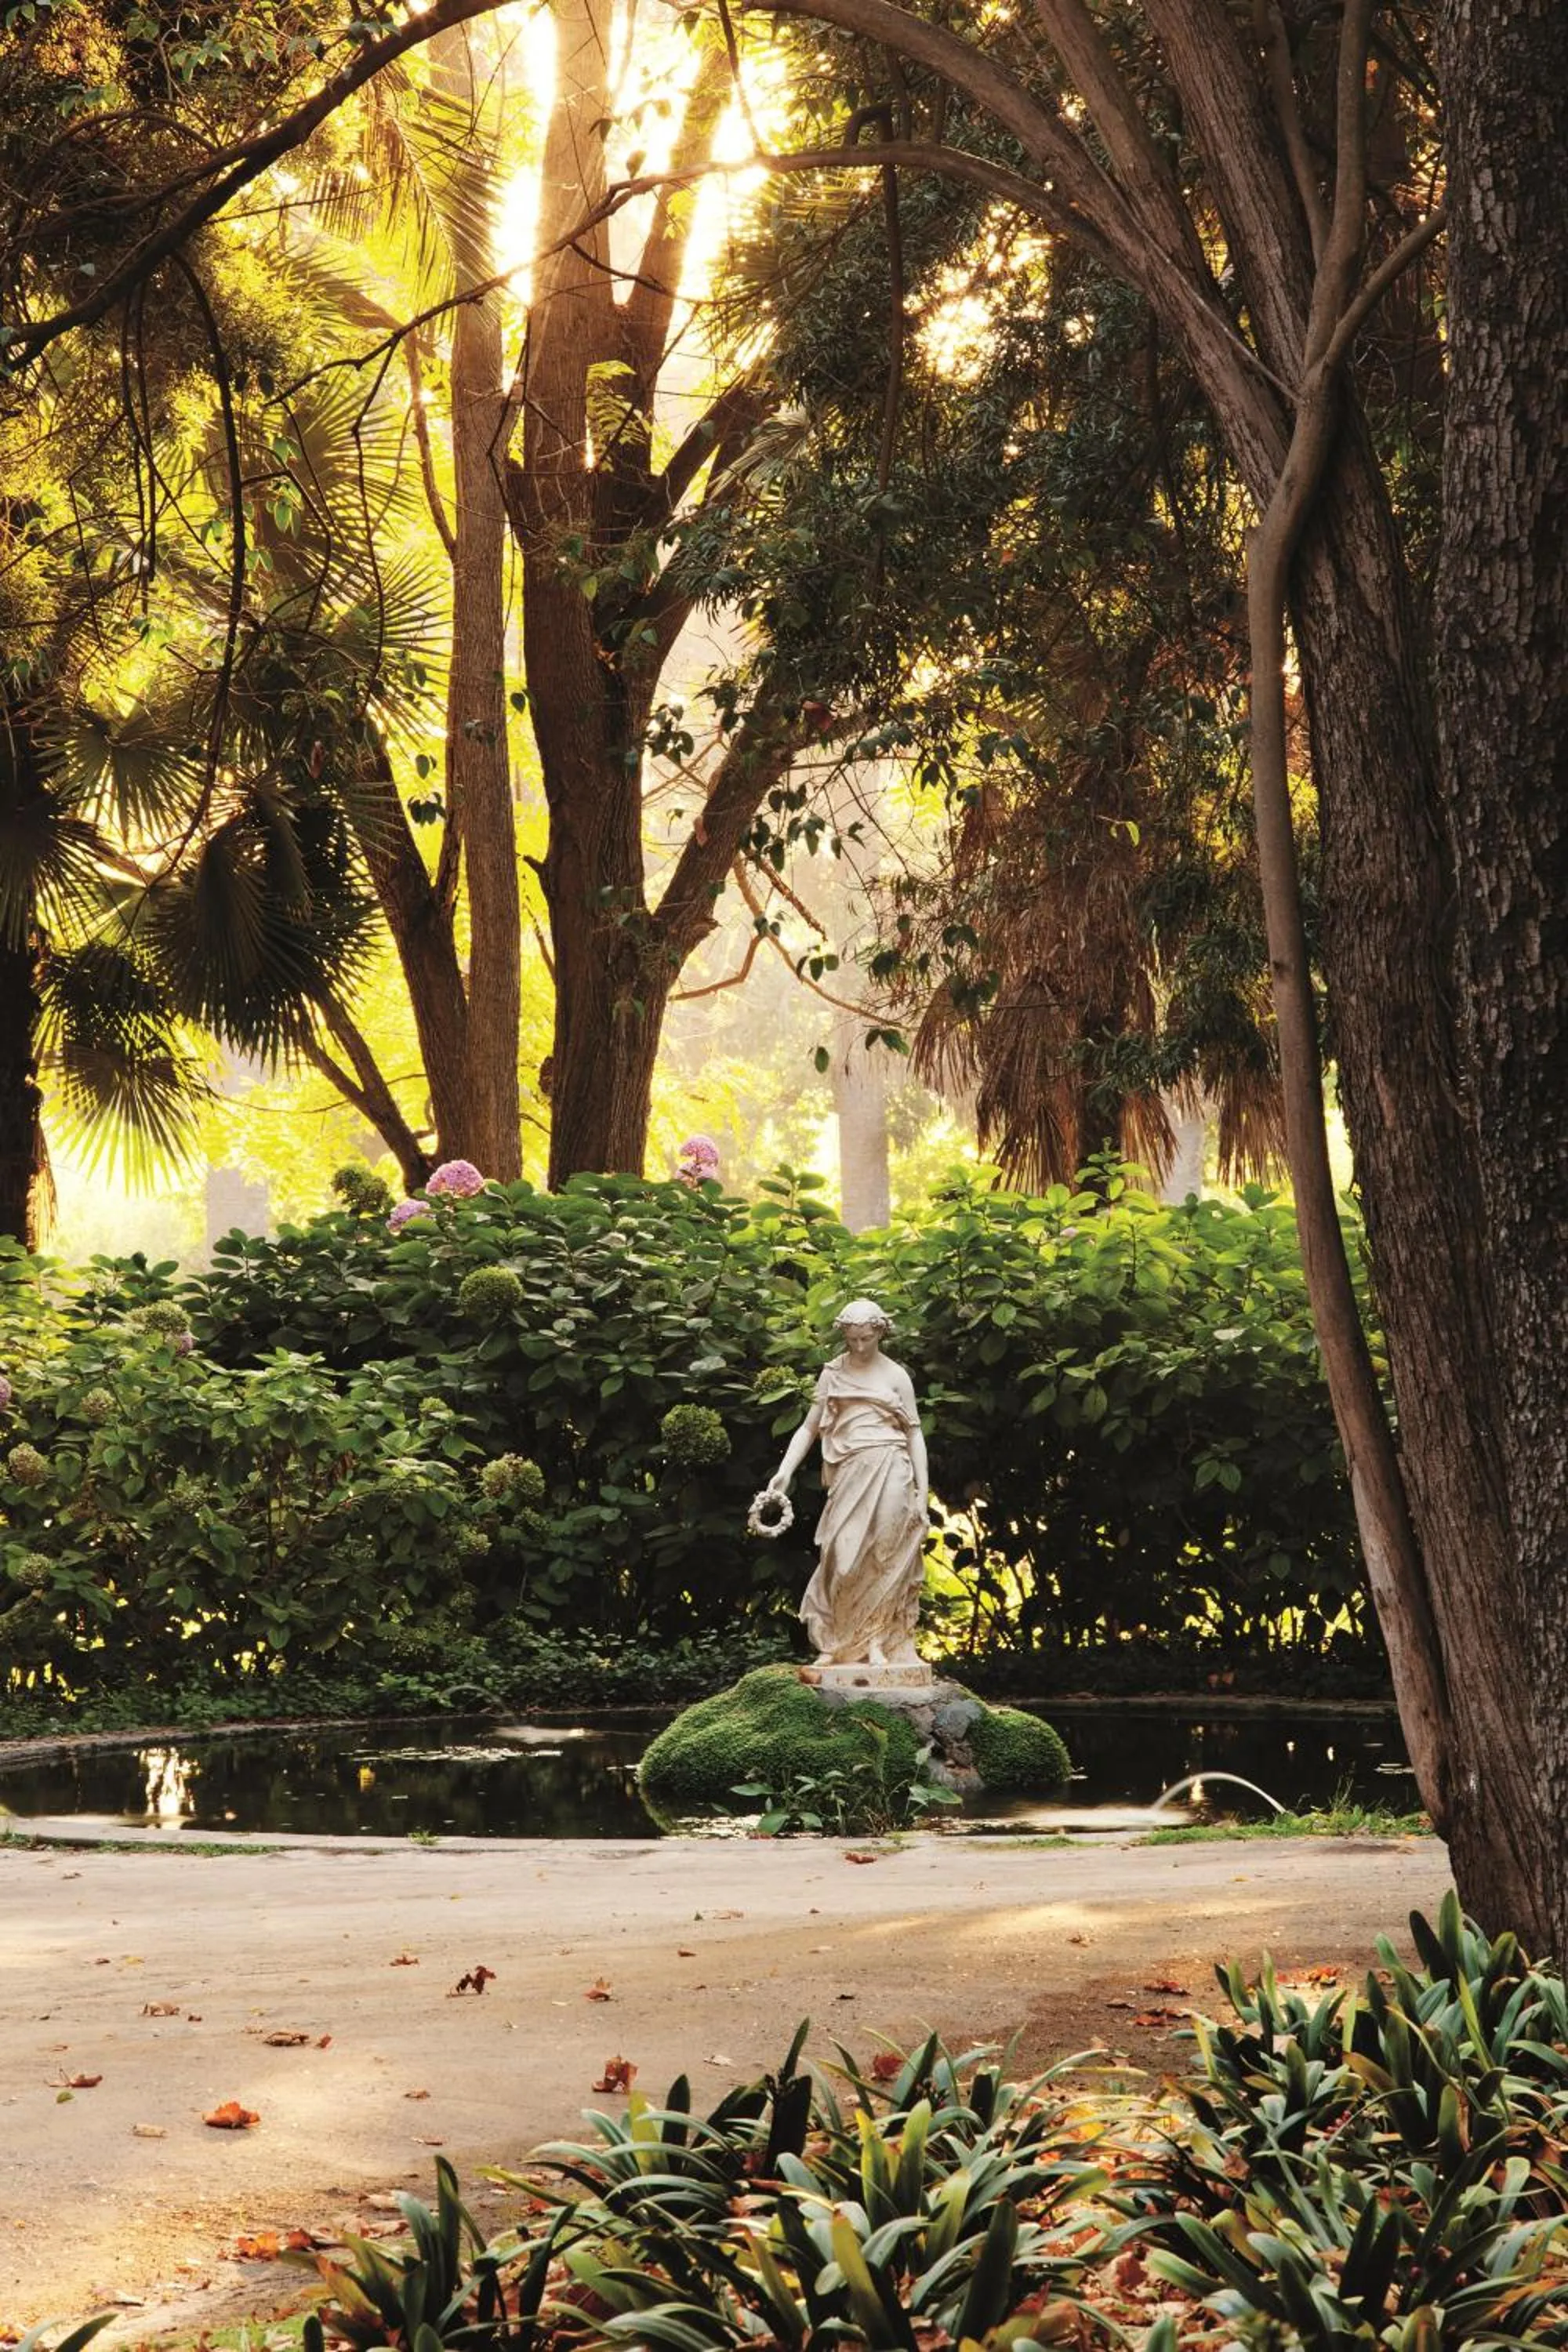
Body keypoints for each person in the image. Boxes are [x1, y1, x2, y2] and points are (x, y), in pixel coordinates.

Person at [767, 1300, 930, 1668]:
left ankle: (876, 1643)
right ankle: (837, 1642)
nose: (858, 1346)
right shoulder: (832, 1373)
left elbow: (915, 1433)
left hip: (891, 1466)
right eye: (853, 1339)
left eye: (866, 1339)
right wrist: (785, 1471)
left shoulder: (895, 1376)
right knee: (842, 1557)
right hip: (849, 1471)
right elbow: (810, 1427)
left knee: (884, 1555)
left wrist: (922, 1492)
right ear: (844, 1333)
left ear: (880, 1333)